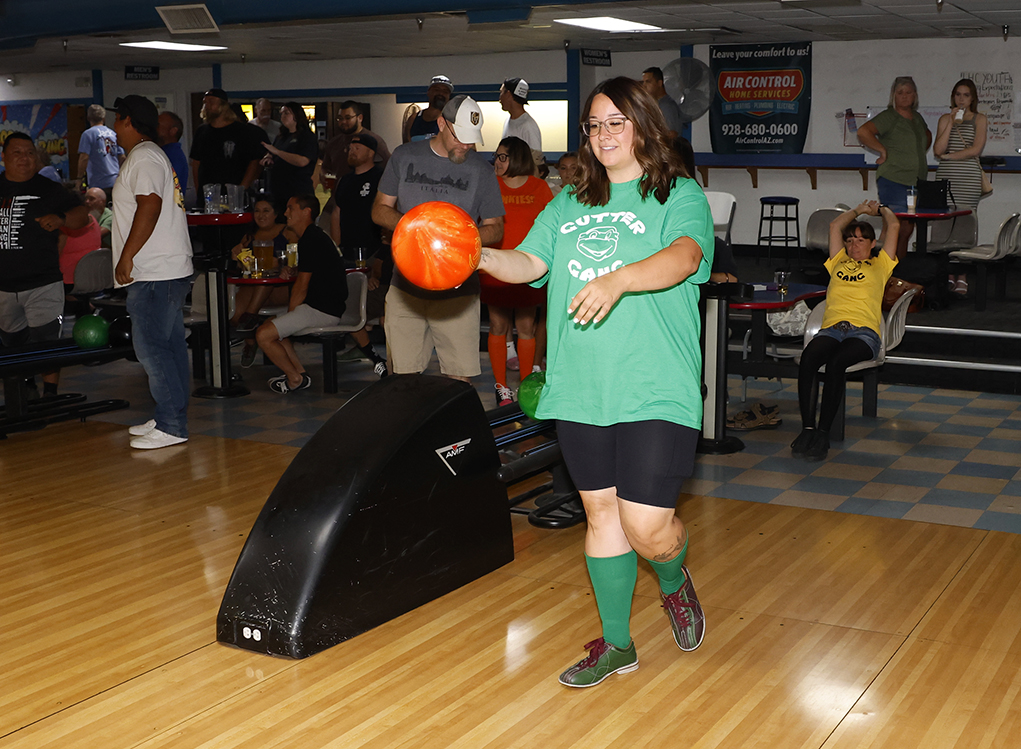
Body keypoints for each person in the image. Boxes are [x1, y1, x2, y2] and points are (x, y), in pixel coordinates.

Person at [476, 77, 713, 688]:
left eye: (615, 123)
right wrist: (474, 255)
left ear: (643, 126)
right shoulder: (569, 202)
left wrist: (619, 279)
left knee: (647, 526)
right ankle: (617, 644)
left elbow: (686, 257)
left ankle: (671, 575)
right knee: (601, 515)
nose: (603, 135)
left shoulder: (678, 193)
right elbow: (529, 263)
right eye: (593, 125)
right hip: (582, 385)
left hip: (656, 382)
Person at [372, 94, 504, 383]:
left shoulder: (481, 170)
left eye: (472, 140)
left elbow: (496, 227)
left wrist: (458, 237)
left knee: (459, 380)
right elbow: (380, 210)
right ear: (442, 123)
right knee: (403, 379)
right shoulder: (405, 156)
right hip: (405, 289)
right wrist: (417, 227)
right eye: (461, 138)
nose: (466, 146)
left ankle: (457, 430)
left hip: (459, 293)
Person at [109, 95, 194, 450]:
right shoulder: (152, 155)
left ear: (128, 121)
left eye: (117, 120)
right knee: (171, 345)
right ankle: (168, 416)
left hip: (155, 271)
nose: (114, 128)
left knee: (152, 348)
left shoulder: (144, 157)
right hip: (168, 267)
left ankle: (172, 425)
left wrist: (127, 256)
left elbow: (150, 206)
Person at [792, 201, 899, 462]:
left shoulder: (881, 265)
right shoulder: (838, 261)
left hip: (864, 333)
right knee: (808, 359)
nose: (854, 245)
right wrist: (858, 209)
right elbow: (834, 225)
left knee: (837, 363)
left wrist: (880, 209)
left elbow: (894, 225)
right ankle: (808, 428)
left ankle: (823, 434)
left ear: (873, 244)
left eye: (861, 240)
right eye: (850, 240)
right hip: (832, 329)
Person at [0, 131, 89, 397]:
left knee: (46, 341)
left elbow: (82, 215)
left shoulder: (49, 189)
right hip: (3, 286)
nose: (25, 158)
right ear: (4, 157)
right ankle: (24, 389)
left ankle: (50, 393)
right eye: (17, 153)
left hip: (43, 282)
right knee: (12, 343)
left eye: (30, 153)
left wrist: (61, 219)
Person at [255, 193, 348, 393]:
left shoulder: (311, 238)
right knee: (271, 325)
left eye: (291, 208)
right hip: (325, 307)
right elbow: (315, 272)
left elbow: (302, 286)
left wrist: (290, 315)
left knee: (263, 335)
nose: (286, 213)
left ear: (306, 212)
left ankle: (294, 378)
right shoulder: (313, 236)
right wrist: (295, 270)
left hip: (322, 310)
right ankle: (299, 373)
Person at [484, 136, 553, 406]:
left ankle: (526, 385)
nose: (497, 162)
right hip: (496, 267)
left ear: (518, 158)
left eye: (503, 157)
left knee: (527, 326)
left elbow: (549, 226)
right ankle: (501, 387)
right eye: (496, 157)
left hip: (528, 267)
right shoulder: (490, 186)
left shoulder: (539, 187)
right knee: (498, 326)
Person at [328, 132, 388, 377]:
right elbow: (336, 214)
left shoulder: (380, 177)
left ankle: (389, 357)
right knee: (346, 301)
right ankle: (362, 347)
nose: (351, 151)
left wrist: (381, 256)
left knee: (378, 303)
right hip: (349, 253)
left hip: (375, 252)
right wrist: (336, 248)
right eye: (350, 147)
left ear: (370, 152)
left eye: (357, 147)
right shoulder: (345, 180)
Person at [857, 77, 931, 258]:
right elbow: (863, 132)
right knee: (896, 225)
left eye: (908, 92)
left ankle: (899, 271)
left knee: (907, 228)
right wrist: (882, 150)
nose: (904, 96)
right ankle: (885, 272)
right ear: (893, 96)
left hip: (915, 182)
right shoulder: (889, 117)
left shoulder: (917, 118)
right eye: (900, 93)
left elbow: (927, 135)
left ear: (915, 95)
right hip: (894, 179)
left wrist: (917, 153)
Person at [228, 196, 297, 368]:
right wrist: (237, 258)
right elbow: (243, 267)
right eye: (257, 211)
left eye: (266, 211)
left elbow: (293, 260)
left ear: (276, 214)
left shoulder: (288, 231)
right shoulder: (249, 236)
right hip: (254, 285)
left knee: (265, 280)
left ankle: (251, 317)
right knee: (234, 314)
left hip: (281, 286)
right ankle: (251, 339)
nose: (261, 215)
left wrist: (278, 263)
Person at [934, 78, 988, 296]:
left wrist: (950, 157)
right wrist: (951, 123)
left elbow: (975, 150)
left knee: (965, 224)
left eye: (966, 95)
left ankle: (962, 276)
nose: (962, 99)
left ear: (972, 98)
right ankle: (947, 275)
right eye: (958, 94)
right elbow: (938, 149)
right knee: (944, 227)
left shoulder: (980, 119)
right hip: (946, 177)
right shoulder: (945, 119)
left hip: (968, 178)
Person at [189, 87, 262, 197]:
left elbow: (254, 162)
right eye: (205, 102)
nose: (207, 106)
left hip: (234, 192)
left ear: (223, 105)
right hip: (209, 194)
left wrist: (241, 189)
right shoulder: (202, 131)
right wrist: (199, 190)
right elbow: (196, 163)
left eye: (211, 102)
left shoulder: (242, 131)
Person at [261, 102, 319, 215]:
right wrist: (269, 158)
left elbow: (303, 161)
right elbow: (275, 154)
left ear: (296, 115)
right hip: (278, 191)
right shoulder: (281, 137)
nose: (283, 116)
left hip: (297, 190)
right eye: (281, 113)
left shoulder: (307, 137)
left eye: (286, 113)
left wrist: (278, 152)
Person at [320, 100, 391, 186]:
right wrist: (324, 175)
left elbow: (389, 169)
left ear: (360, 118)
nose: (343, 122)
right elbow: (326, 168)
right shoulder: (334, 143)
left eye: (348, 118)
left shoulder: (374, 141)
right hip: (339, 194)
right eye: (340, 118)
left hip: (365, 193)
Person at [77, 104, 124, 201]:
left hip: (98, 184)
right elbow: (122, 158)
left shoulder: (88, 134)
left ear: (88, 117)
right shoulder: (114, 134)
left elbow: (84, 158)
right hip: (116, 182)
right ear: (104, 118)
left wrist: (79, 179)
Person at [500, 77, 543, 166]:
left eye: (501, 92)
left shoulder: (528, 126)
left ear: (508, 94)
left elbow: (536, 162)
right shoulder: (507, 122)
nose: (499, 99)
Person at [402, 75, 453, 144]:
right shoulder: (413, 119)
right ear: (428, 92)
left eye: (445, 91)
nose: (441, 93)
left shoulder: (452, 120)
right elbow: (406, 146)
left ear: (449, 96)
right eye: (437, 89)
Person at [157, 110, 189, 191]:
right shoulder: (161, 152)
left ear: (173, 131)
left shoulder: (174, 156)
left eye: (159, 124)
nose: (155, 128)